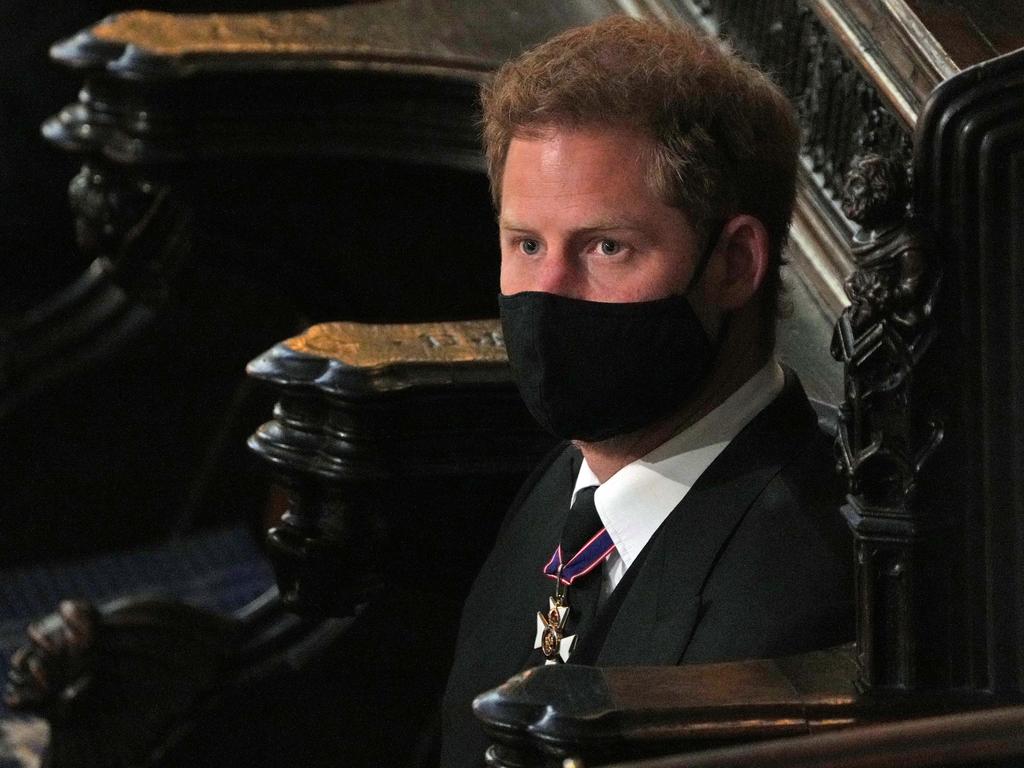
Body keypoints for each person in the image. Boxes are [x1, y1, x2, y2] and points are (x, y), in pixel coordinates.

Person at [441, 15, 853, 765]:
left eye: (606, 248)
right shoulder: (572, 481)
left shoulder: (791, 604)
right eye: (526, 244)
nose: (547, 295)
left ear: (734, 264)